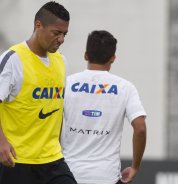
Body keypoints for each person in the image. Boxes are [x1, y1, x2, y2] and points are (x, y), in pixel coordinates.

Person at [0, 1, 76, 184]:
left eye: (64, 34)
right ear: (38, 25)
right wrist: (1, 142)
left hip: (51, 158)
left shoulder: (61, 61)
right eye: (56, 33)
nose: (61, 39)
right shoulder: (13, 59)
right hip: (16, 159)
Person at [61, 30, 147, 184]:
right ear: (113, 58)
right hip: (106, 176)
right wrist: (135, 167)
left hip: (68, 173)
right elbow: (140, 128)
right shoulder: (126, 87)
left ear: (85, 55)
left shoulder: (66, 83)